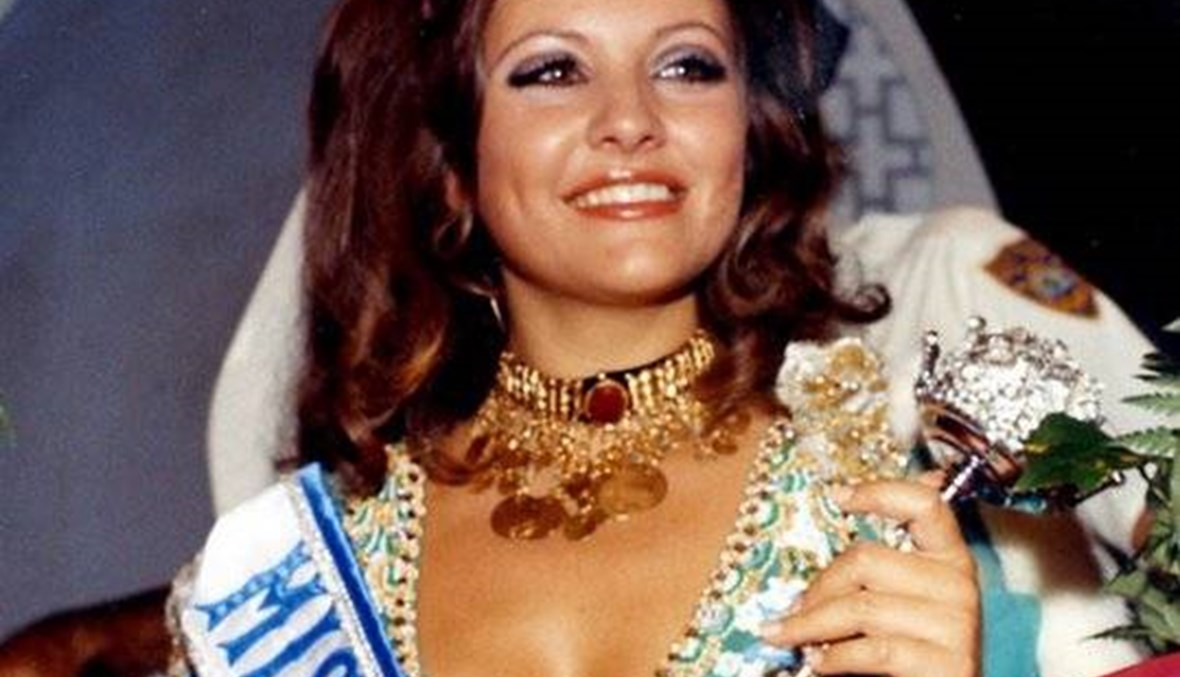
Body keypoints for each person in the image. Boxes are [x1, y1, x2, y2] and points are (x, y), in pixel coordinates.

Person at [169, 0, 980, 675]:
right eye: (553, 71)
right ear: (452, 160)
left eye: (686, 66)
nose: (631, 121)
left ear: (751, 131)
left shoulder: (871, 506)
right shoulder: (296, 575)